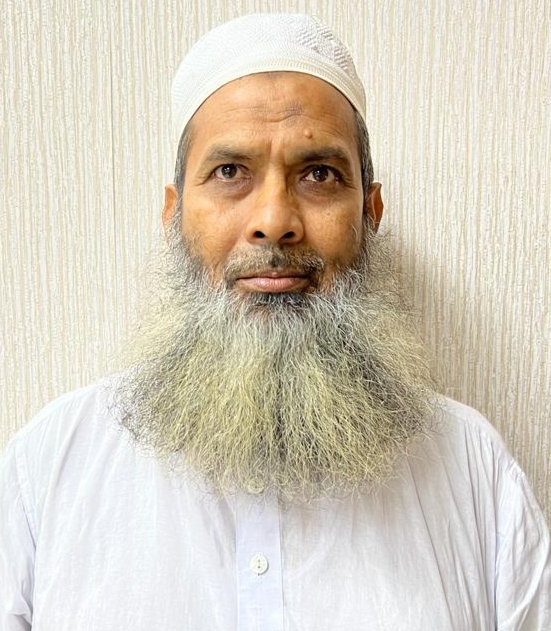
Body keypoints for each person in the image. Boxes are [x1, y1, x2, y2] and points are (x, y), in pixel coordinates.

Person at [0, 13, 549, 630]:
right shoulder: (48, 471)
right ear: (174, 215)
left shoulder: (473, 471)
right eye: (230, 172)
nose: (274, 221)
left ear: (370, 214)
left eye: (319, 174)